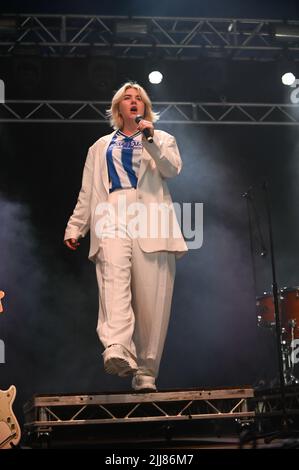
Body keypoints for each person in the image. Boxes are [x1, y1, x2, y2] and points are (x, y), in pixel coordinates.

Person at [64, 82, 188, 392]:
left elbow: (171, 170)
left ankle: (146, 371)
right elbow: (88, 191)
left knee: (152, 300)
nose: (133, 102)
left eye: (139, 99)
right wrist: (76, 226)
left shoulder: (162, 138)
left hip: (151, 217)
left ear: (145, 109)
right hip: (112, 211)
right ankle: (117, 347)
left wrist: (150, 139)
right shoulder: (100, 145)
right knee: (113, 280)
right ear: (119, 108)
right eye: (127, 99)